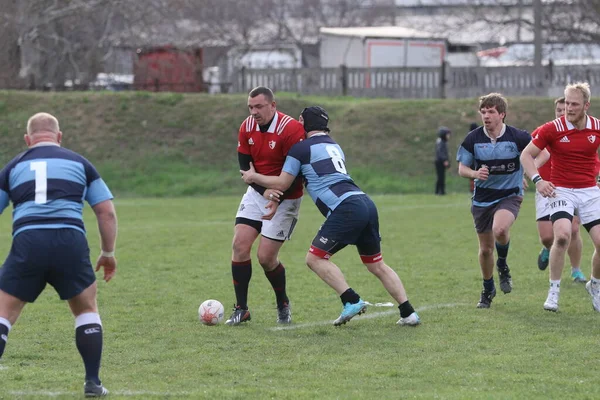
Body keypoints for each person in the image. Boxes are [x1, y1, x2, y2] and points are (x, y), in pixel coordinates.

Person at [240, 106, 420, 327]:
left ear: (303, 123)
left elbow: (282, 183)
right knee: (376, 265)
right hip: (365, 202)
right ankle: (409, 312)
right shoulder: (334, 145)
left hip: (346, 207)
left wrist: (252, 176)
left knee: (314, 258)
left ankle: (351, 299)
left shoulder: (300, 149)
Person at [0, 113, 117, 397]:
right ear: (59, 137)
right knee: (86, 310)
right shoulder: (80, 163)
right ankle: (92, 382)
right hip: (70, 242)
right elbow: (106, 212)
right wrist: (108, 253)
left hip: (28, 242)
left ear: (28, 140)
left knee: (3, 314)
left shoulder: (13, 166)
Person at [228, 86, 305, 326]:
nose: (254, 112)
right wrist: (264, 193)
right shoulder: (246, 127)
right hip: (258, 193)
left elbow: (297, 175)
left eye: (259, 107)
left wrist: (276, 198)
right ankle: (242, 309)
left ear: (273, 105)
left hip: (288, 197)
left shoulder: (291, 129)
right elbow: (246, 171)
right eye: (250, 107)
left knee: (265, 258)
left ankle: (282, 303)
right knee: (239, 245)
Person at [520, 82, 600, 312]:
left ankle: (595, 285)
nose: (569, 108)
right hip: (561, 189)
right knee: (563, 236)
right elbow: (526, 155)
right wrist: (538, 180)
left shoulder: (596, 127)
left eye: (574, 104)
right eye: (566, 103)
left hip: (589, 192)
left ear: (586, 105)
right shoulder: (552, 128)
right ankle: (553, 292)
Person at [456, 93, 531, 308]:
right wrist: (475, 174)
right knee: (486, 248)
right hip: (482, 200)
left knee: (500, 230)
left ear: (502, 114)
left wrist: (527, 173)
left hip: (510, 194)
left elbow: (542, 153)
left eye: (491, 112)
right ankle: (488, 288)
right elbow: (462, 168)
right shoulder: (473, 138)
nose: (486, 116)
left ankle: (503, 264)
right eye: (483, 112)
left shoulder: (518, 137)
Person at [532, 97, 586, 282]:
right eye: (559, 110)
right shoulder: (544, 132)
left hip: (573, 187)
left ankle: (576, 270)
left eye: (566, 109)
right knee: (548, 237)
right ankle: (548, 248)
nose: (563, 113)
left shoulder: (583, 132)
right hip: (546, 188)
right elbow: (526, 155)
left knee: (573, 228)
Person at [435, 126, 451, 195]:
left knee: (440, 176)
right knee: (441, 177)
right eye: (447, 134)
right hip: (440, 162)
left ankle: (438, 191)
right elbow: (441, 152)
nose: (448, 136)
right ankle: (441, 191)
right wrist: (445, 160)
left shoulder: (442, 142)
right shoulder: (441, 142)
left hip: (439, 161)